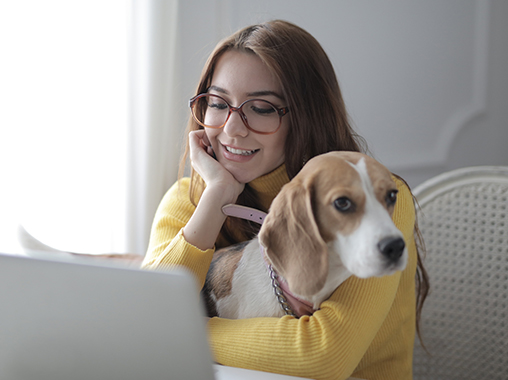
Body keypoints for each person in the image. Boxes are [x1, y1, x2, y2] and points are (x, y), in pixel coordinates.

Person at [141, 20, 429, 380]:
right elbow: (146, 314)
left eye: (261, 108)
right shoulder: (189, 199)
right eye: (217, 103)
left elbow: (324, 356)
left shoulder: (380, 200)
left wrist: (179, 333)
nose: (232, 128)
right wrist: (215, 199)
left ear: (307, 116)